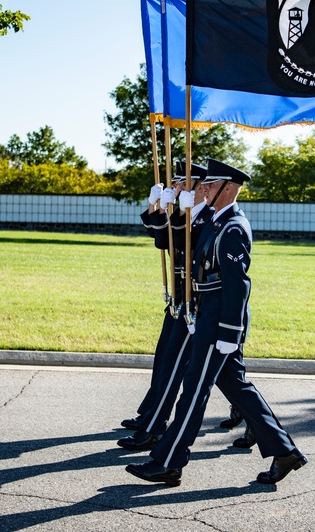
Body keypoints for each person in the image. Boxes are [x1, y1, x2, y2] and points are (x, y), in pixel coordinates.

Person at [126, 159, 306, 486]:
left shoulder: (234, 228)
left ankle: (168, 461)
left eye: (210, 185)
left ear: (228, 188)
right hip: (205, 315)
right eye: (204, 184)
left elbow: (239, 286)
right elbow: (174, 241)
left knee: (194, 391)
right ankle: (284, 451)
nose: (203, 189)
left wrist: (229, 333)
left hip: (219, 322)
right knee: (237, 387)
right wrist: (163, 208)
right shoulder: (213, 220)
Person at [119, 162, 212, 446]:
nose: (177, 188)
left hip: (196, 304)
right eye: (175, 183)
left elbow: (185, 242)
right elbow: (161, 238)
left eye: (183, 183)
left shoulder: (205, 217)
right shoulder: (185, 213)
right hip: (179, 300)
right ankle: (150, 414)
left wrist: (172, 213)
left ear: (201, 187)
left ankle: (154, 425)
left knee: (179, 368)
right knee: (164, 361)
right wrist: (156, 207)